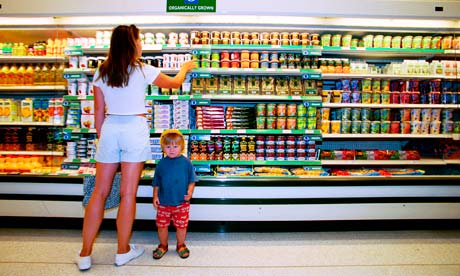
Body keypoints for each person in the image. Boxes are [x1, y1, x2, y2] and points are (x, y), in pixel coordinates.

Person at [76, 24, 195, 271]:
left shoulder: (101, 71)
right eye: (139, 40)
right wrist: (185, 68)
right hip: (134, 127)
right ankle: (122, 251)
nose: (141, 43)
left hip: (110, 128)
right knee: (127, 194)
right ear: (132, 44)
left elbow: (98, 112)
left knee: (99, 192)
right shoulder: (142, 70)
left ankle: (85, 253)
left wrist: (104, 139)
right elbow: (174, 83)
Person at [152, 129, 198, 260]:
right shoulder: (161, 164)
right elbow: (156, 182)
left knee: (181, 226)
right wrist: (155, 196)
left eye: (175, 146)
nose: (171, 149)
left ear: (182, 147)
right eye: (168, 146)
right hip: (163, 202)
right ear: (163, 148)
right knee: (161, 226)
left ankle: (181, 245)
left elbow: (192, 180)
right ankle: (163, 245)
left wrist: (190, 192)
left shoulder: (186, 163)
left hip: (182, 202)